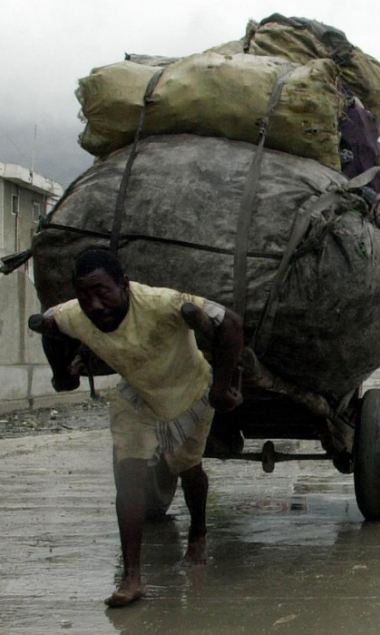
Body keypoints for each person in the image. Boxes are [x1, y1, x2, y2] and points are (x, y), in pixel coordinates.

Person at [34, 249, 243, 607]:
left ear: (124, 284)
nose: (95, 305)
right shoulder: (75, 314)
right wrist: (60, 373)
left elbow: (230, 323)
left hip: (189, 392)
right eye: (85, 296)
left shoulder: (163, 303)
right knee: (128, 475)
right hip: (137, 396)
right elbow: (46, 324)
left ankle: (199, 532)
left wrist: (222, 388)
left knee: (188, 469)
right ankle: (132, 578)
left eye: (103, 292)